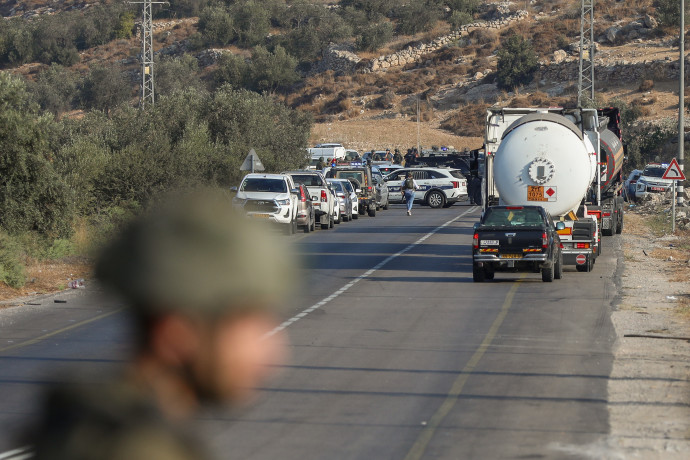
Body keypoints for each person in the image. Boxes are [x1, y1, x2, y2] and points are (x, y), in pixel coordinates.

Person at [27, 191, 292, 460]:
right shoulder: (139, 450)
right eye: (247, 323)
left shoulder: (91, 432)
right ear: (175, 332)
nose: (272, 353)